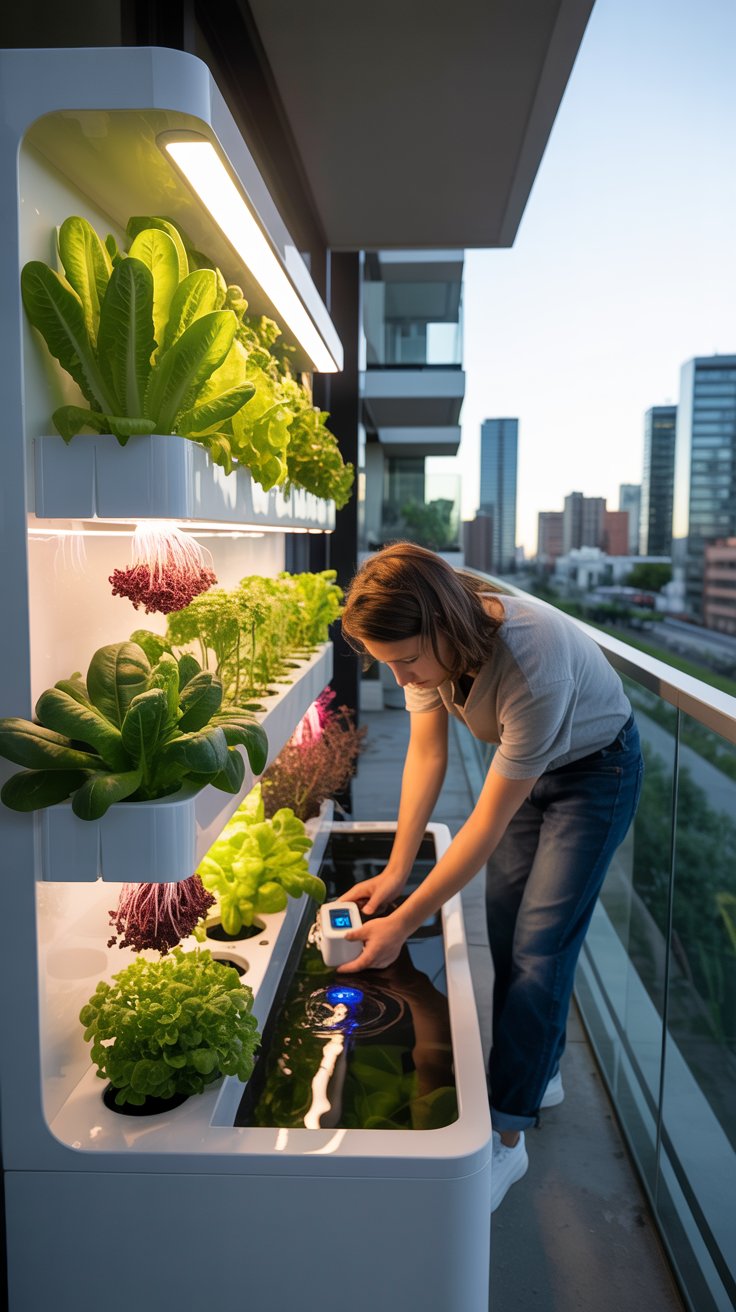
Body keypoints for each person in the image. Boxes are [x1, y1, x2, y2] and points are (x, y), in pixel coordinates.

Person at [336, 541, 644, 1211]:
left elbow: (484, 824)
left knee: (539, 946)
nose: (399, 678)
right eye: (384, 663)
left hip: (596, 771)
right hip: (528, 766)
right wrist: (396, 870)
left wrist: (403, 921)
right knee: (504, 927)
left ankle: (508, 1138)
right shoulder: (426, 649)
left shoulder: (531, 664)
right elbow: (426, 755)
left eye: (406, 661)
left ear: (443, 626)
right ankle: (538, 1070)